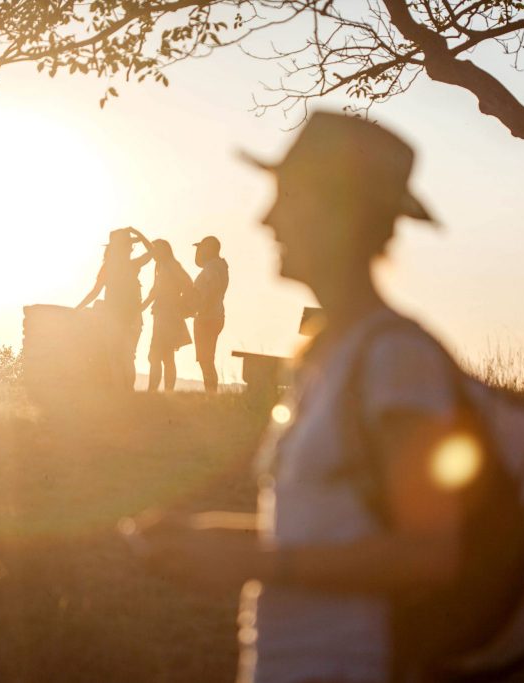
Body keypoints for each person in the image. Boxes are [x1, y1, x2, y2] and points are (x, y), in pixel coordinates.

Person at [125, 112, 466, 683]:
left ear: (342, 215)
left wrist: (253, 562)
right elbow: (326, 530)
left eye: (287, 199)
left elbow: (429, 556)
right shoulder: (327, 353)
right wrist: (207, 535)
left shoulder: (398, 359)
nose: (266, 219)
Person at [76, 227, 153, 391]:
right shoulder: (132, 265)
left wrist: (78, 308)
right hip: (133, 318)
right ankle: (128, 393)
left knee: (115, 356)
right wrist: (138, 234)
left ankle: (121, 393)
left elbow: (95, 292)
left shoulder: (108, 268)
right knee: (128, 357)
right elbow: (152, 253)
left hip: (114, 318)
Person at [142, 238, 194, 392]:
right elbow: (155, 290)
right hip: (162, 314)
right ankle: (163, 392)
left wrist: (178, 302)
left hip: (168, 315)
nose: (153, 253)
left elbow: (187, 283)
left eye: (155, 249)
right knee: (164, 356)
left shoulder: (171, 265)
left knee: (158, 355)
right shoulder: (161, 265)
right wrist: (142, 307)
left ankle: (155, 391)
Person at [190, 235, 229, 393]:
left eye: (201, 248)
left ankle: (210, 392)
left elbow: (213, 286)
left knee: (205, 360)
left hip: (207, 317)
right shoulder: (220, 266)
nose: (198, 251)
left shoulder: (211, 267)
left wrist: (202, 308)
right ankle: (210, 392)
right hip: (215, 315)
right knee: (208, 359)